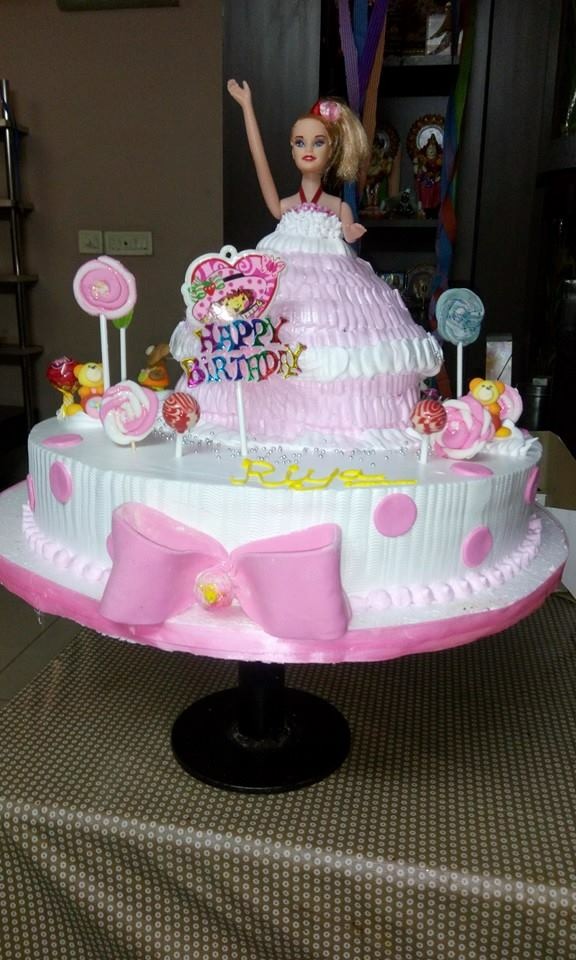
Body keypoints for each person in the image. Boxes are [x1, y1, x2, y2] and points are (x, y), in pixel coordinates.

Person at [227, 79, 369, 246]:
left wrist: (350, 231)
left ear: (330, 150)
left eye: (318, 143)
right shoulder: (285, 205)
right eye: (300, 143)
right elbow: (260, 160)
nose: (308, 150)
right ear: (293, 150)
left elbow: (349, 235)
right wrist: (247, 107)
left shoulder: (339, 207)